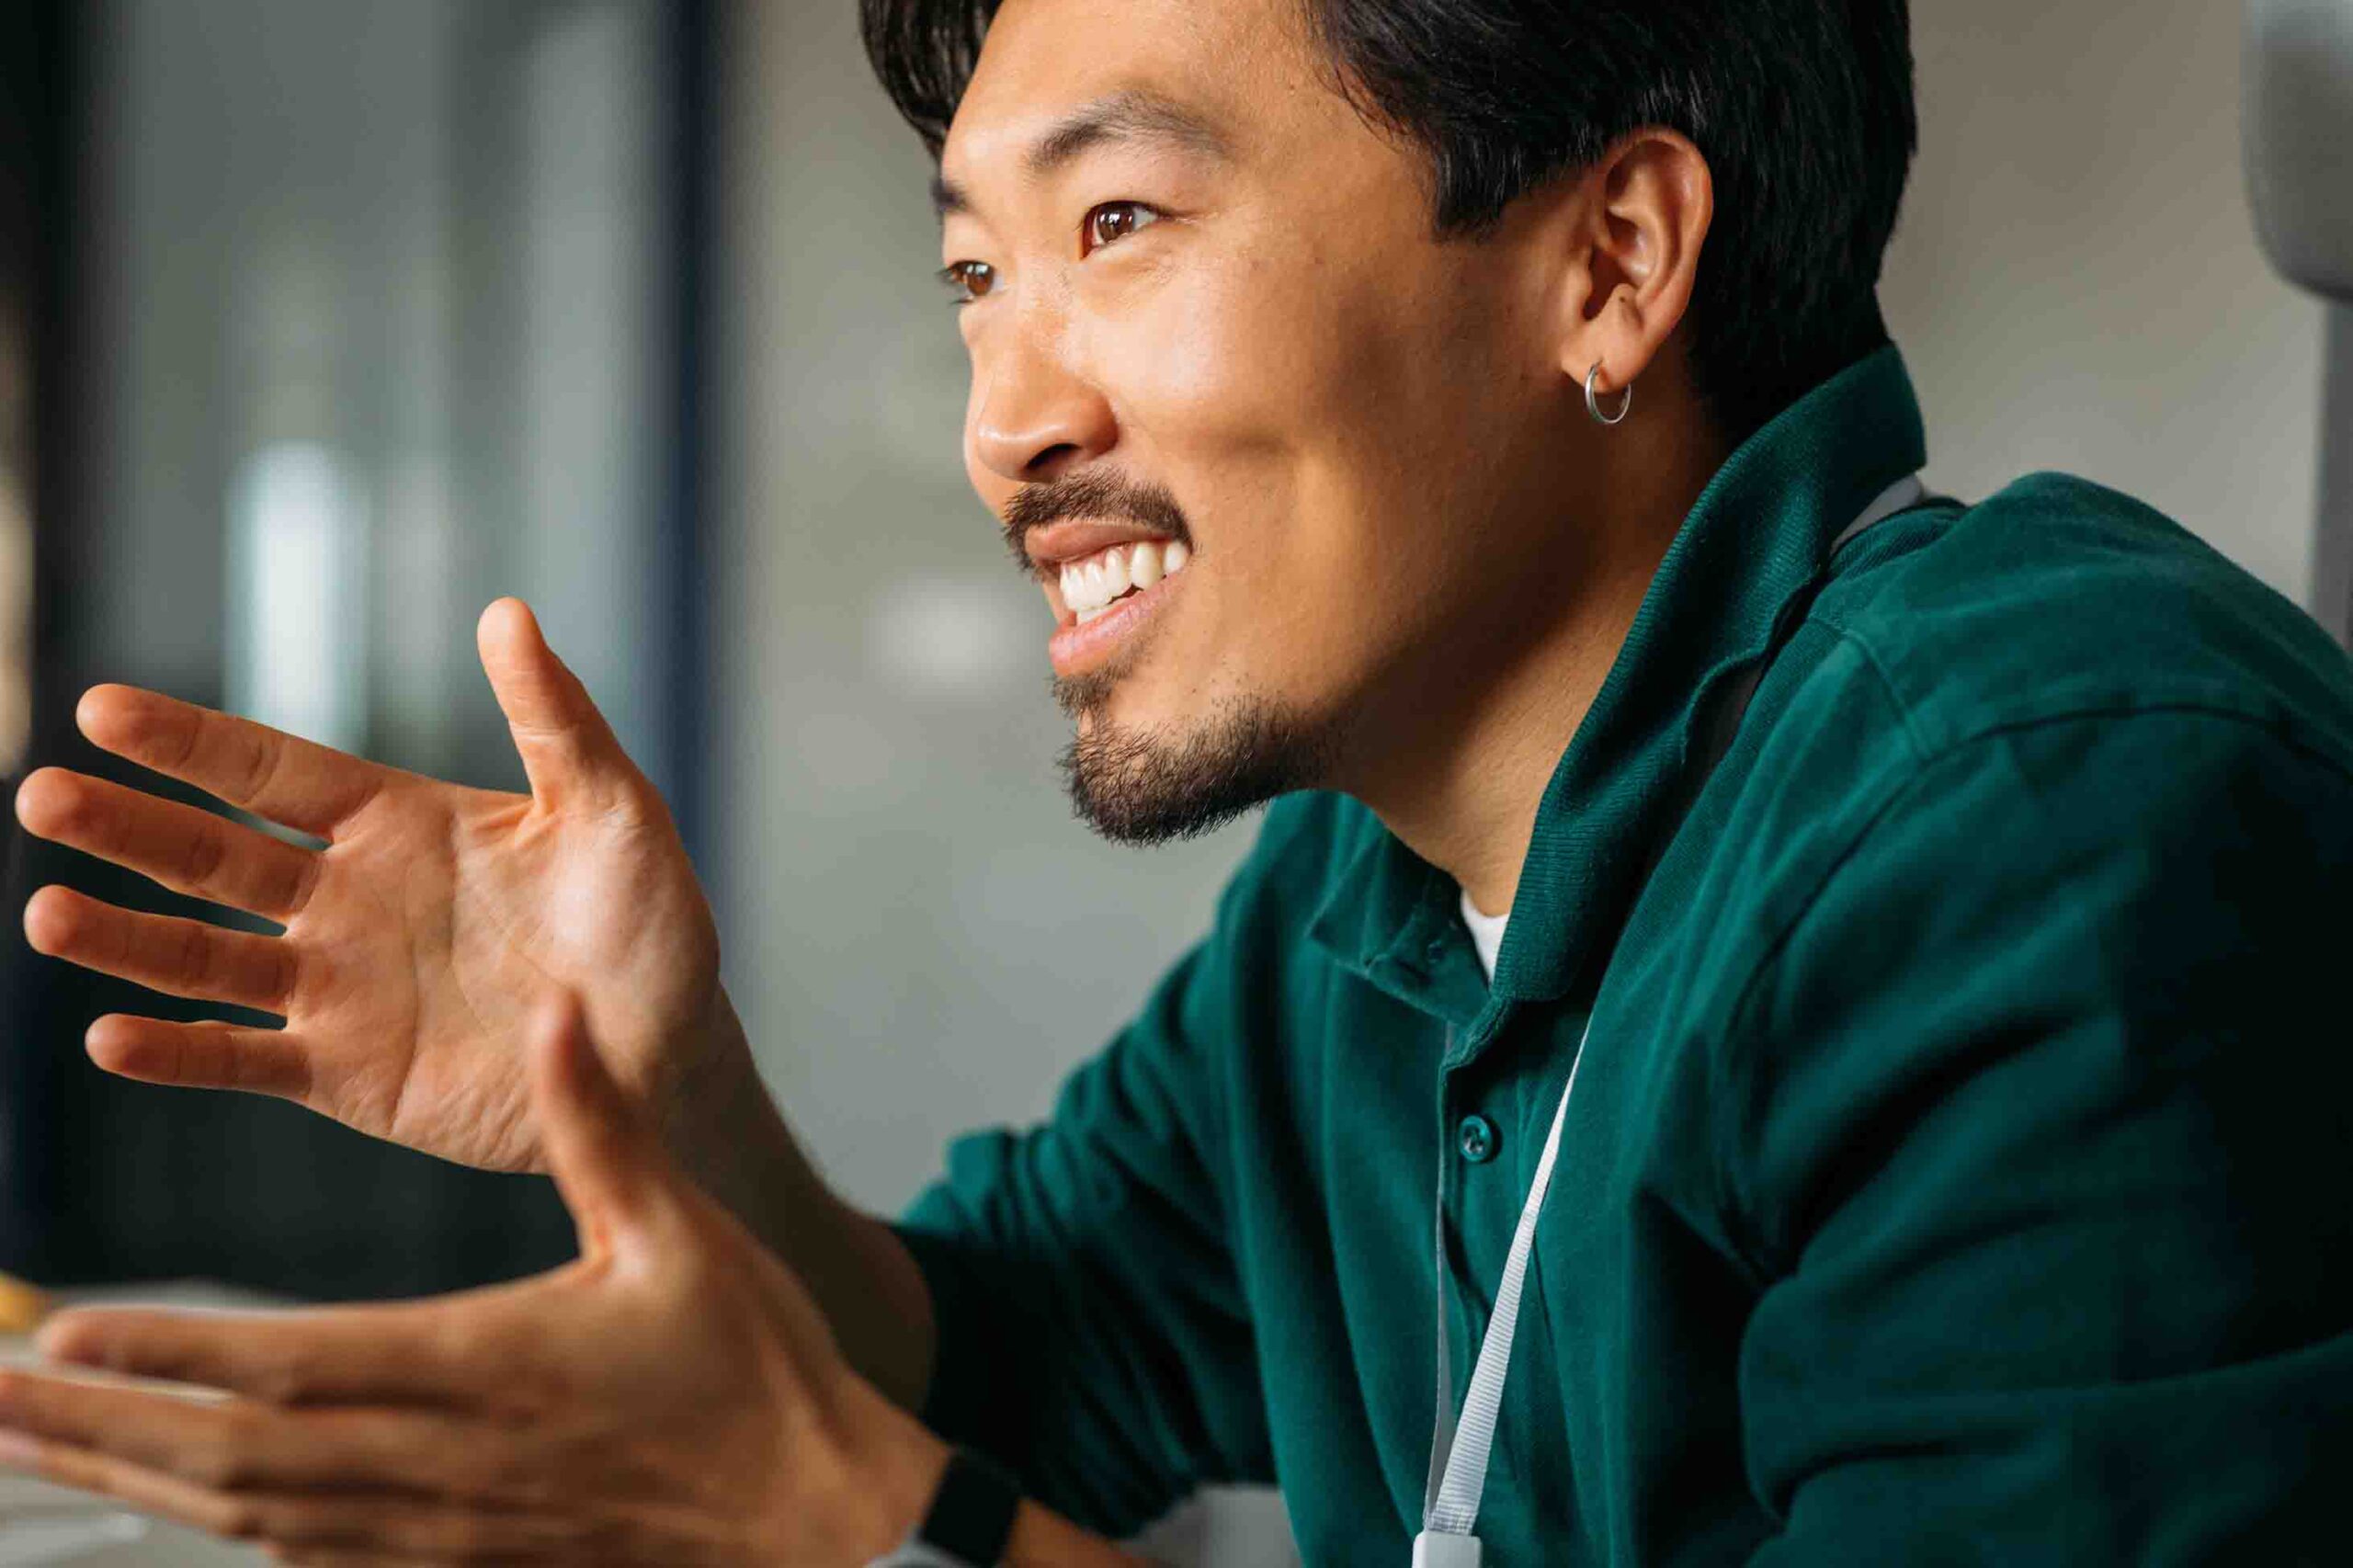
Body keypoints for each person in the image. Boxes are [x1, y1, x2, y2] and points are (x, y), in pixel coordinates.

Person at [8, 0, 2353, 1561]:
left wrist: (860, 1530)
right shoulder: (1368, 895)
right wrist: (650, 1091)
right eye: (973, 277)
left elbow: (893, 1471)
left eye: (1115, 225)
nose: (1003, 421)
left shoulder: (2044, 822)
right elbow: (1007, 1356)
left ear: (1609, 262)